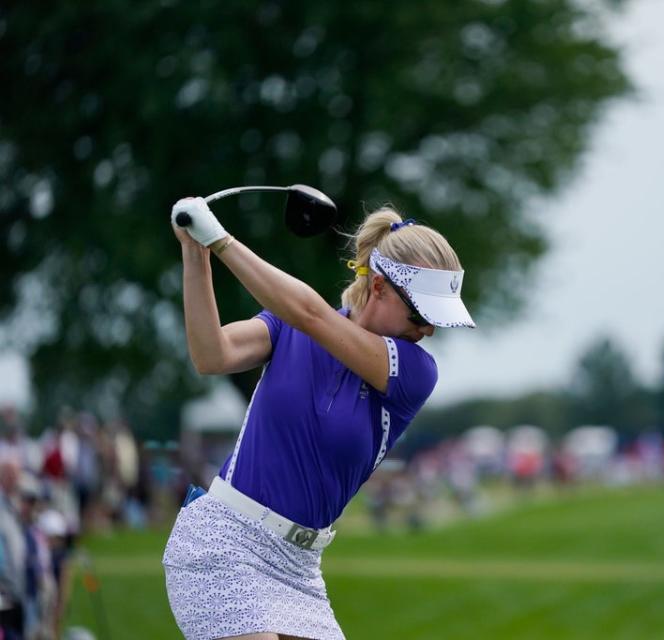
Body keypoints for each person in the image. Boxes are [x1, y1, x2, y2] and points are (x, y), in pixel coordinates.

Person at [162, 195, 475, 640]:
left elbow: (311, 315)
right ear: (381, 287)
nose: (427, 330)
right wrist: (196, 253)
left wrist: (221, 240)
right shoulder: (285, 326)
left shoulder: (414, 371)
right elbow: (212, 354)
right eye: (420, 314)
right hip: (223, 542)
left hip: (301, 569)